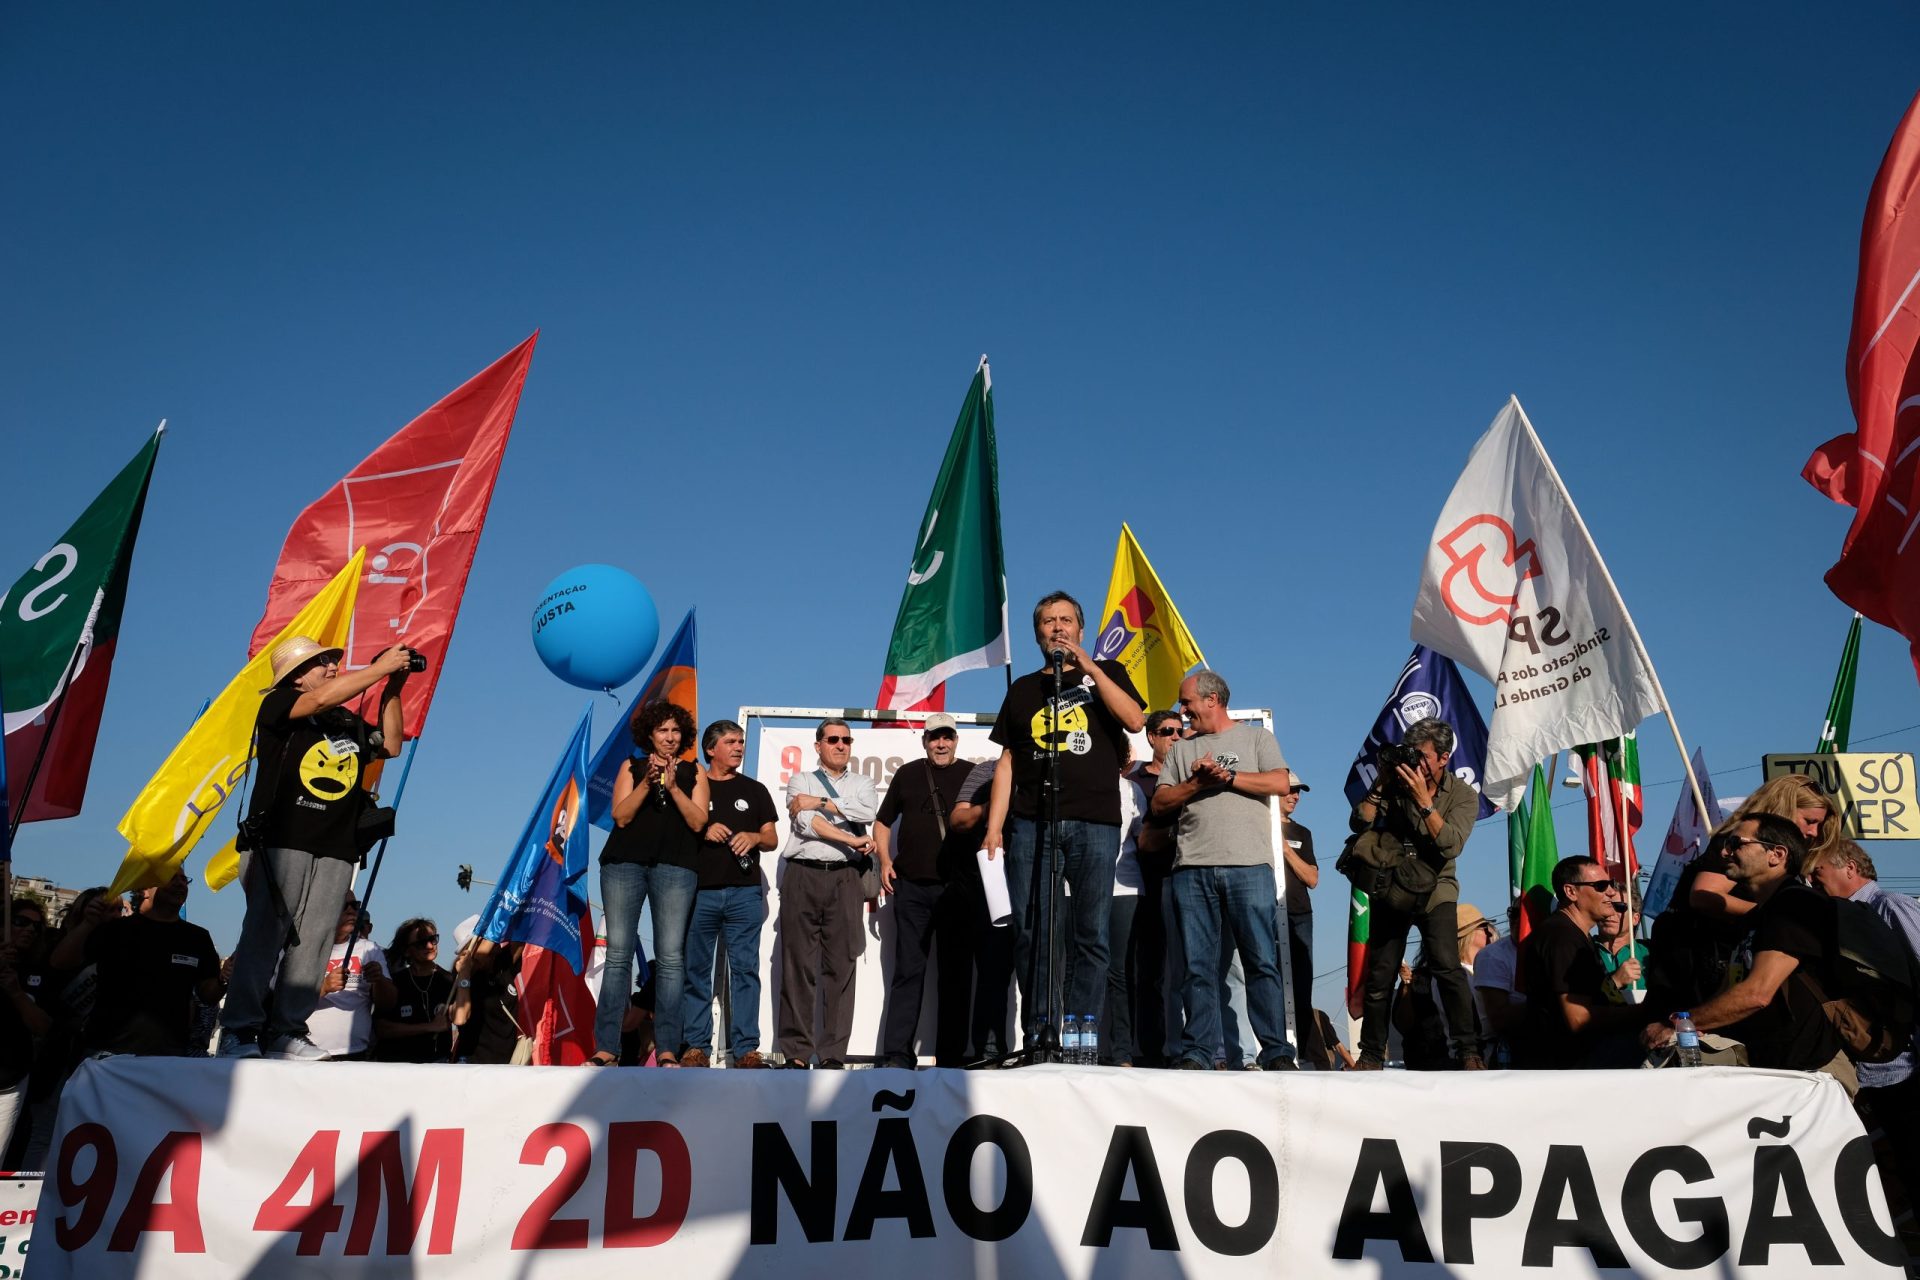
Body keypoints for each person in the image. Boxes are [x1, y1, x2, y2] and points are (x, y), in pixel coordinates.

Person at [217, 635, 413, 1060]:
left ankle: (287, 1030)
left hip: (337, 845)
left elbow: (392, 745)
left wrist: (393, 688)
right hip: (280, 839)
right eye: (321, 662)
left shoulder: (343, 720)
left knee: (317, 939)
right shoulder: (279, 704)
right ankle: (239, 1030)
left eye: (331, 661)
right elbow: (317, 701)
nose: (331, 667)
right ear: (296, 674)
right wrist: (378, 669)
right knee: (265, 933)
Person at [982, 592, 1145, 1049]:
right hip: (1032, 822)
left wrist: (1091, 669)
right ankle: (1040, 1031)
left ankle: (1080, 1035)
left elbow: (1134, 719)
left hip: (1095, 821)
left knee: (1090, 932)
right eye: (1049, 622)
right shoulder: (1023, 690)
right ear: (1038, 634)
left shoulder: (1107, 673)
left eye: (1066, 620)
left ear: (1080, 629)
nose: (1058, 628)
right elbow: (1008, 762)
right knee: (1034, 930)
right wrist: (994, 828)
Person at [1642, 815, 1856, 1092]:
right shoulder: (1758, 914)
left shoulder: (1795, 904)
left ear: (1777, 854)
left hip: (1813, 1073)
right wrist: (1695, 1022)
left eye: (1736, 843)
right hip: (1778, 1069)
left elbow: (1757, 993)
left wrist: (1679, 1023)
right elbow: (1732, 986)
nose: (1724, 852)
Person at [1152, 671, 1297, 1070]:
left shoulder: (1256, 739)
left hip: (1249, 866)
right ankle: (1198, 1053)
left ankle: (1277, 1052)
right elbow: (1160, 804)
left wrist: (1229, 777)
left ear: (1212, 700)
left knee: (1261, 963)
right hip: (1192, 869)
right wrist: (1197, 784)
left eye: (1187, 703)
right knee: (1197, 967)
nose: (1182, 711)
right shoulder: (1182, 750)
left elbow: (1281, 782)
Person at [1347, 718, 1483, 1070]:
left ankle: (1468, 1050)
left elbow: (1451, 845)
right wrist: (1380, 785)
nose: (1416, 764)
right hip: (1395, 884)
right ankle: (1372, 1054)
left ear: (1443, 758)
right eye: (1412, 755)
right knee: (1381, 971)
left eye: (1422, 756)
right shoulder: (1395, 784)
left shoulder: (1463, 795)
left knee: (1446, 966)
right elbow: (1359, 821)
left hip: (1437, 886)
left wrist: (1425, 803)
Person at [592, 699, 709, 1067]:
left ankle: (668, 1049)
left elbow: (697, 822)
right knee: (618, 956)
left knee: (672, 959)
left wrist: (674, 788)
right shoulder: (631, 766)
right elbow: (620, 816)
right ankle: (607, 1048)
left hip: (676, 867)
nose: (670, 737)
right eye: (663, 730)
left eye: (676, 731)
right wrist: (647, 782)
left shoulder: (696, 772)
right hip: (624, 865)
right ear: (650, 735)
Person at [875, 713, 994, 1068]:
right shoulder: (908, 773)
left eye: (947, 737)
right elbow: (883, 822)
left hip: (958, 889)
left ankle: (951, 1058)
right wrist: (884, 859)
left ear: (956, 740)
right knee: (907, 972)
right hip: (911, 887)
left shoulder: (974, 774)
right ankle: (897, 1054)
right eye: (934, 738)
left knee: (956, 975)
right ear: (924, 740)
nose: (940, 744)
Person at [1805, 839, 1920, 1198]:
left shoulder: (1890, 907)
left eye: (1817, 869)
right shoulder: (1838, 919)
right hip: (1876, 1077)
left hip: (1908, 1074)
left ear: (1849, 868)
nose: (1810, 879)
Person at [778, 718, 879, 1068]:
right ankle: (796, 1053)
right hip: (803, 875)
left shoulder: (863, 782)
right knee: (797, 967)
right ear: (818, 744)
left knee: (841, 966)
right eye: (833, 739)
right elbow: (804, 823)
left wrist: (820, 801)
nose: (841, 745)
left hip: (845, 879)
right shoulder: (799, 780)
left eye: (846, 740)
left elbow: (867, 811)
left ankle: (833, 1054)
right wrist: (851, 837)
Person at [682, 719, 779, 1069]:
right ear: (711, 749)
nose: (739, 747)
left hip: (743, 893)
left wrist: (753, 837)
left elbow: (772, 838)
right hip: (699, 891)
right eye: (731, 742)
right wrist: (703, 828)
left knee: (744, 970)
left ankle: (746, 1050)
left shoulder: (754, 789)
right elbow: (678, 829)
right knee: (696, 969)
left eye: (741, 741)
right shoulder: (692, 786)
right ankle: (696, 1047)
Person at [54, 870, 222, 1058]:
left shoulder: (198, 938)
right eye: (171, 877)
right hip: (106, 1053)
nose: (181, 884)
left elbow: (208, 995)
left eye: (184, 879)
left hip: (168, 1055)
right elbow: (60, 963)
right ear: (144, 890)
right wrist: (87, 923)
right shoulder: (115, 930)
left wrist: (226, 977)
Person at [1516, 858, 1643, 1069]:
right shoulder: (1562, 938)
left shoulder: (1574, 936)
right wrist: (1642, 1013)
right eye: (1600, 886)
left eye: (1610, 884)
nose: (1611, 892)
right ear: (1571, 892)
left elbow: (1594, 995)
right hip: (1565, 1070)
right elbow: (1578, 1018)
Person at [1689, 774, 1839, 919]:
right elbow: (1703, 895)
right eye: (1809, 821)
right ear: (1783, 807)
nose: (1814, 832)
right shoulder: (1737, 844)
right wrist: (1775, 914)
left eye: (1820, 825)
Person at [1131, 709, 1183, 1065]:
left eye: (1181, 731)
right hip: (1147, 884)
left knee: (1188, 969)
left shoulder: (1192, 777)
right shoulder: (1134, 781)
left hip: (1189, 882)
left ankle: (1189, 1050)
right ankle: (1151, 1051)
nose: (1176, 737)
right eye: (1168, 731)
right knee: (1148, 972)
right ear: (1151, 737)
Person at [1101, 744, 1150, 1066]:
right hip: (1075, 889)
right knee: (1078, 969)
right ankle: (1075, 1047)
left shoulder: (1131, 790)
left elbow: (1143, 837)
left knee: (1120, 973)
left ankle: (1122, 1052)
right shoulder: (1078, 787)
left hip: (1125, 887)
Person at [1279, 775, 1324, 1066]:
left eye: (1298, 792)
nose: (1295, 796)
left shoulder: (1302, 832)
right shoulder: (1257, 825)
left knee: (1301, 985)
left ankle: (1305, 1055)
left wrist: (1286, 851)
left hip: (1298, 915)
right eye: (1290, 790)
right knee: (1268, 983)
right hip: (1266, 912)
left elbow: (1312, 878)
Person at [373, 917, 453, 1062]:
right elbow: (382, 1029)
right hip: (398, 1064)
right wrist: (429, 1027)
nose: (430, 946)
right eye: (421, 942)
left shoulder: (449, 980)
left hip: (438, 1065)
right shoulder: (395, 982)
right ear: (407, 951)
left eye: (433, 939)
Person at [1594, 902, 1649, 1004]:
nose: (1610, 912)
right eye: (1605, 905)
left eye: (1620, 907)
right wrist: (1615, 981)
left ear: (1635, 918)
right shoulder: (1578, 948)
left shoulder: (1652, 953)